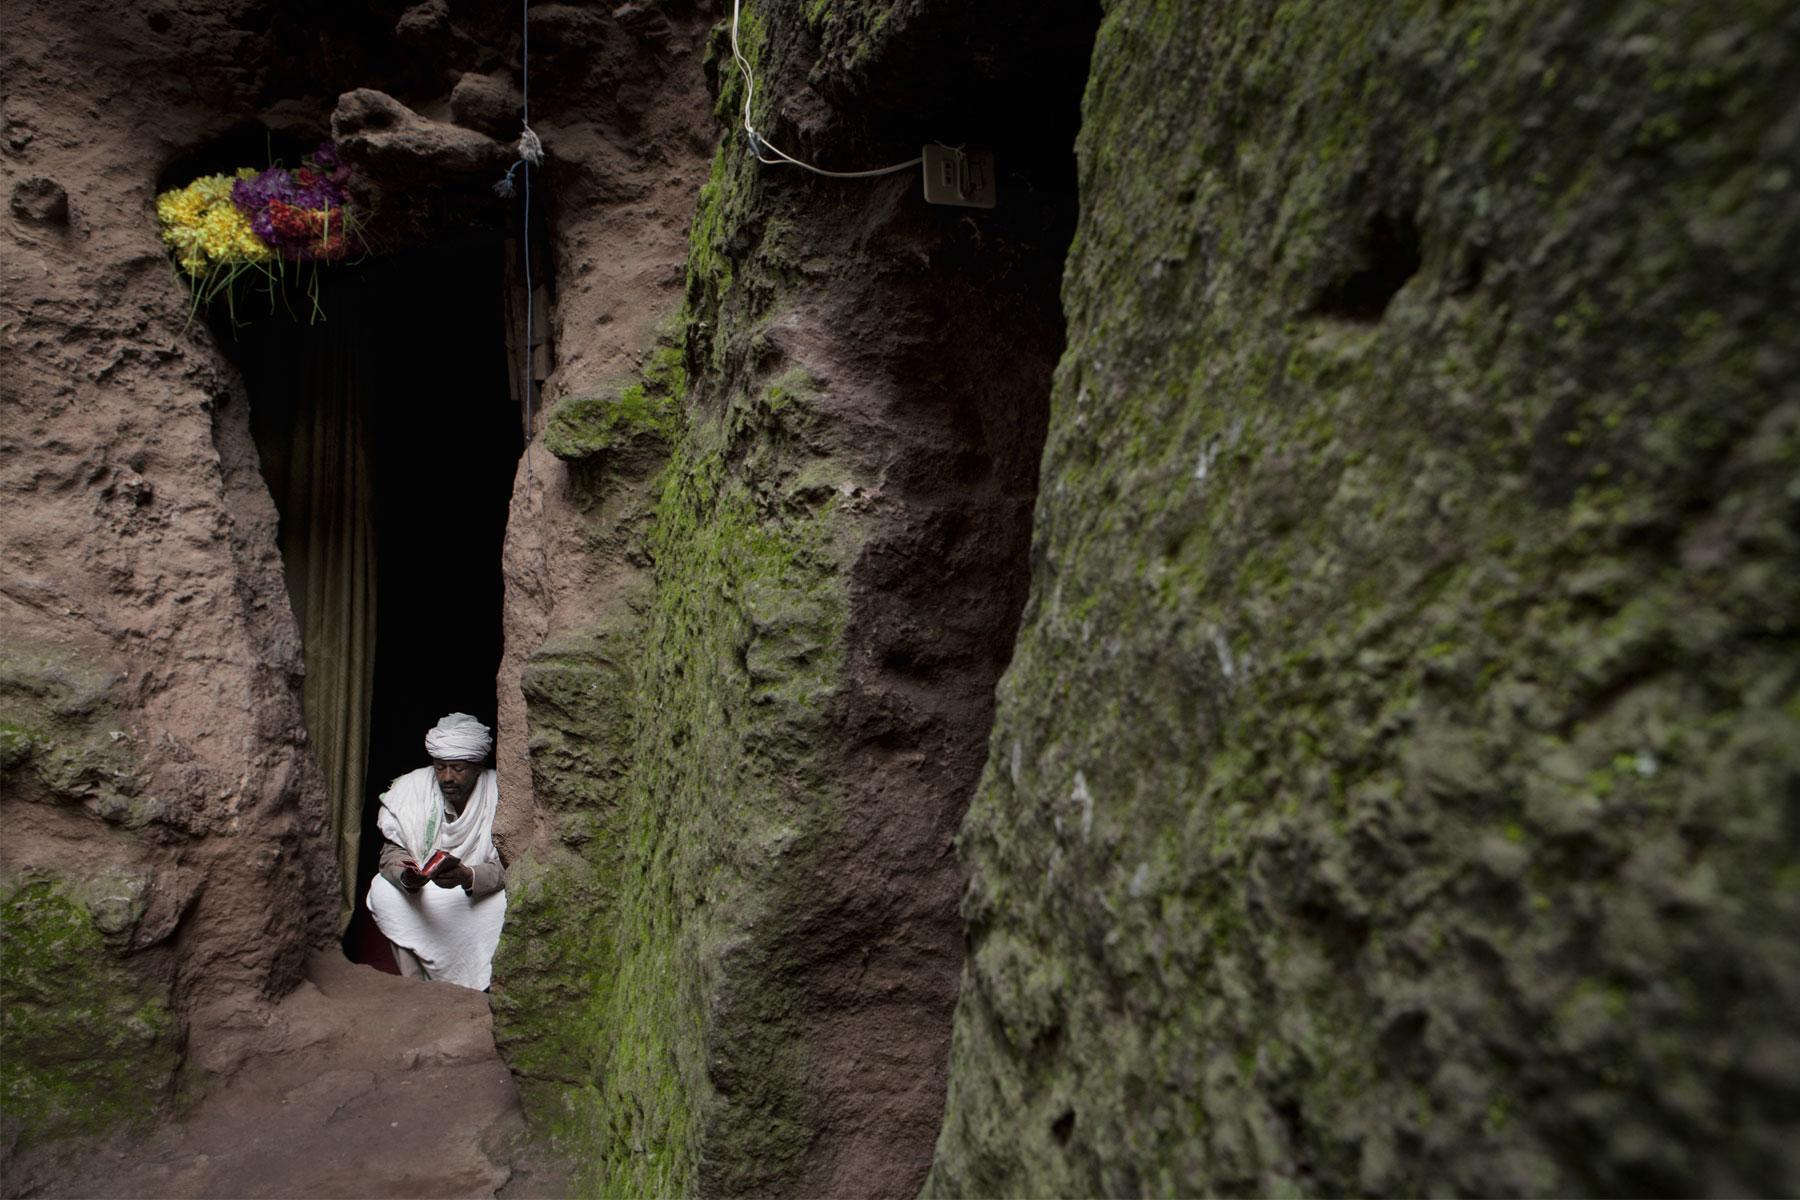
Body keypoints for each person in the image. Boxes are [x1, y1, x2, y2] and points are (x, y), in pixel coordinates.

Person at [366, 712, 508, 989]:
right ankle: (418, 987)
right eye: (440, 767)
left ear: (479, 766)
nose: (447, 777)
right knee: (382, 892)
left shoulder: (502, 793)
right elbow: (391, 853)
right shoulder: (411, 789)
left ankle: (485, 985)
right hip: (425, 893)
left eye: (458, 768)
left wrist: (468, 876)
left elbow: (513, 864)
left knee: (507, 902)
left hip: (477, 894)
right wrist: (407, 876)